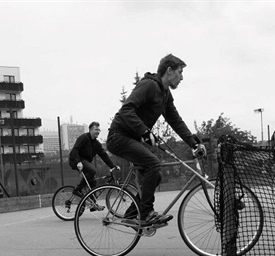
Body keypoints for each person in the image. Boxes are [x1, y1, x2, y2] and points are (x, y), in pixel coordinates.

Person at [106, 54, 206, 227]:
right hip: (118, 137)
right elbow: (126, 110)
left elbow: (175, 120)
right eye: (180, 72)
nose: (182, 77)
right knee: (153, 163)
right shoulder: (149, 85)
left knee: (156, 176)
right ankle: (146, 214)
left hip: (131, 139)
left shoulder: (165, 94)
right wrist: (144, 131)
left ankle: (132, 214)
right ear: (169, 70)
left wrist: (193, 142)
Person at [68, 122, 118, 199]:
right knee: (92, 170)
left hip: (85, 161)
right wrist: (78, 162)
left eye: (99, 130)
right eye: (96, 129)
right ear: (90, 130)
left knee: (93, 182)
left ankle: (92, 204)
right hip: (76, 160)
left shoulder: (97, 144)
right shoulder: (83, 138)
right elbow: (75, 150)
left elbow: (103, 155)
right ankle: (77, 189)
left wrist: (112, 166)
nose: (98, 131)